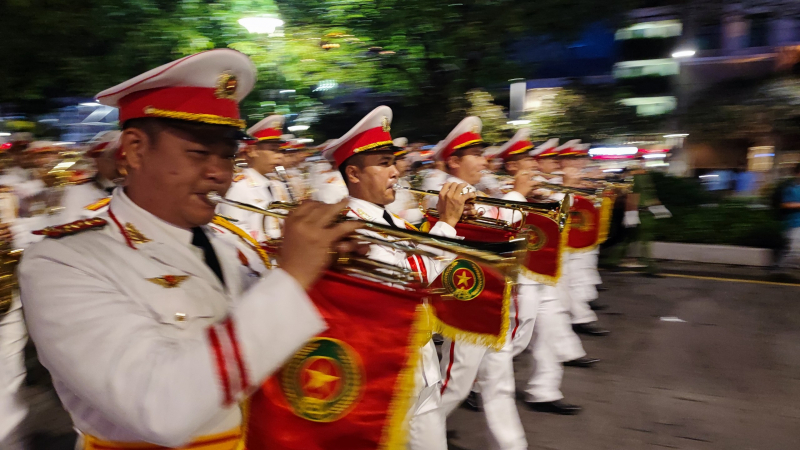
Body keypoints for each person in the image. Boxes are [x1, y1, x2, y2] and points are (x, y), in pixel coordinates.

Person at [19, 48, 361, 449]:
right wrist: (291, 277)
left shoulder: (233, 244)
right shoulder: (62, 261)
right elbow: (160, 408)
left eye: (228, 156)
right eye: (198, 153)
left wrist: (332, 276)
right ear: (134, 149)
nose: (219, 173)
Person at [323, 106, 473, 450]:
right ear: (354, 174)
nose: (395, 171)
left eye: (393, 162)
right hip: (388, 368)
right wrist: (448, 223)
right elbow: (415, 279)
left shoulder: (389, 221)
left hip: (419, 362)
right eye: (385, 162)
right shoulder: (352, 228)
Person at [429, 117, 528, 450]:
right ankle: (409, 434)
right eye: (475, 154)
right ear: (455, 161)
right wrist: (519, 193)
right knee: (454, 384)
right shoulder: (442, 191)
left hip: (489, 295)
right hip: (466, 299)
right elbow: (504, 220)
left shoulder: (476, 191)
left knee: (499, 384)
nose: (485, 160)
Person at [495, 129, 592, 416]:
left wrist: (565, 189)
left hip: (542, 270)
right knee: (516, 336)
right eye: (527, 160)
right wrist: (521, 194)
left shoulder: (540, 185)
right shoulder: (497, 186)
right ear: (511, 166)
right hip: (518, 273)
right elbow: (502, 220)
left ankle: (544, 390)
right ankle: (476, 382)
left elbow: (565, 215)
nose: (535, 164)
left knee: (549, 330)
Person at [220, 115, 291, 243]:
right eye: (273, 150)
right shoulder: (239, 187)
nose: (280, 156)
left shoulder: (275, 184)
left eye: (281, 151)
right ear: (253, 151)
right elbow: (233, 233)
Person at [56, 130, 123, 223]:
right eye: (111, 157)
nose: (120, 162)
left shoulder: (139, 189)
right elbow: (71, 224)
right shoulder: (80, 192)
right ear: (96, 161)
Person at [386, 137, 425, 225]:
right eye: (403, 159)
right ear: (393, 162)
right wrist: (423, 211)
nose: (407, 164)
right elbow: (397, 214)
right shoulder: (389, 184)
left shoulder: (403, 181)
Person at [778, 163, 800, 273]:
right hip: (794, 223)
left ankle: (780, 269)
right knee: (795, 248)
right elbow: (785, 204)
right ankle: (780, 269)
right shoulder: (790, 188)